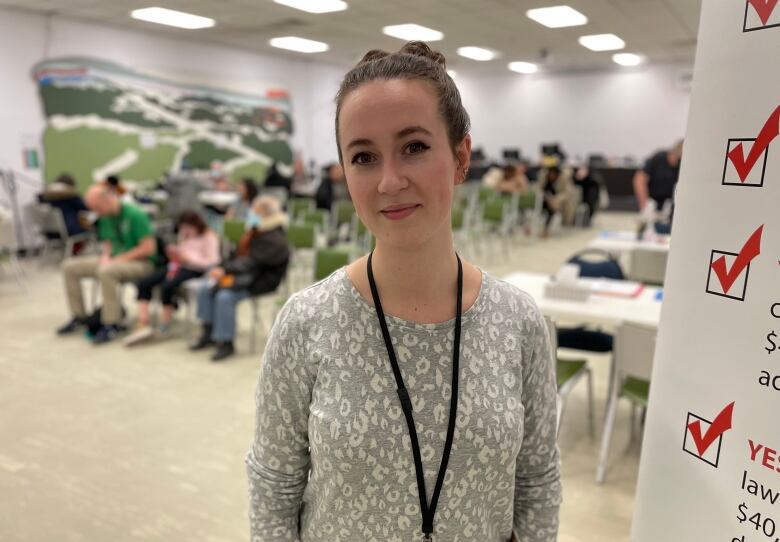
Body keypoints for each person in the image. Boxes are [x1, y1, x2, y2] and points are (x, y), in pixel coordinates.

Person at [246, 41, 561, 542]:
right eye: (364, 156)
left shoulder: (518, 320)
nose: (389, 181)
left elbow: (537, 482)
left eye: (414, 147)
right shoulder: (308, 321)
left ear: (460, 157)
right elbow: (274, 487)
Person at [190, 195, 290, 361]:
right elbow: (236, 257)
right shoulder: (254, 232)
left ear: (267, 215)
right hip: (244, 276)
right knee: (206, 288)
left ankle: (225, 342)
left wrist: (225, 270)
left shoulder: (275, 239)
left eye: (256, 212)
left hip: (260, 282)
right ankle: (208, 332)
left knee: (224, 296)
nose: (251, 215)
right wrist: (221, 267)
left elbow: (253, 264)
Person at [56, 184, 157, 343]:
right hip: (114, 260)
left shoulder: (135, 215)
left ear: (108, 199)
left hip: (141, 263)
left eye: (97, 207)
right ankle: (79, 316)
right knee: (69, 267)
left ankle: (111, 323)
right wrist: (105, 256)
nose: (96, 212)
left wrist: (119, 259)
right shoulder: (105, 217)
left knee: (106, 271)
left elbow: (148, 248)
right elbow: (108, 243)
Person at [123, 210, 220, 346]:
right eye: (182, 227)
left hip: (196, 269)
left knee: (167, 286)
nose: (184, 230)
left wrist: (189, 258)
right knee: (145, 282)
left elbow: (213, 261)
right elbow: (182, 250)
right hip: (177, 265)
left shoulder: (209, 237)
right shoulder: (184, 234)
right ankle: (142, 321)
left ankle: (165, 322)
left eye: (187, 227)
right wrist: (175, 252)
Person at [633, 139, 683, 213]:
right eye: (676, 157)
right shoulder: (659, 158)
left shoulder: (680, 165)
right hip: (651, 203)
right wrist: (644, 205)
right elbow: (639, 180)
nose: (676, 161)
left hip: (668, 205)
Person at [37, 173, 89, 238]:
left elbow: (39, 198)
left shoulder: (45, 197)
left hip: (49, 233)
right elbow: (86, 208)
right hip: (69, 230)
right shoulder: (72, 197)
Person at [538, 164, 576, 236]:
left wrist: (557, 199)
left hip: (558, 202)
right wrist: (546, 197)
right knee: (548, 207)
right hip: (544, 200)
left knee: (552, 208)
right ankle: (544, 229)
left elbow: (568, 193)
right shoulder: (544, 178)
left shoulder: (564, 179)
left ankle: (546, 229)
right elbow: (539, 189)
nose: (552, 176)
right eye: (550, 174)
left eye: (554, 174)